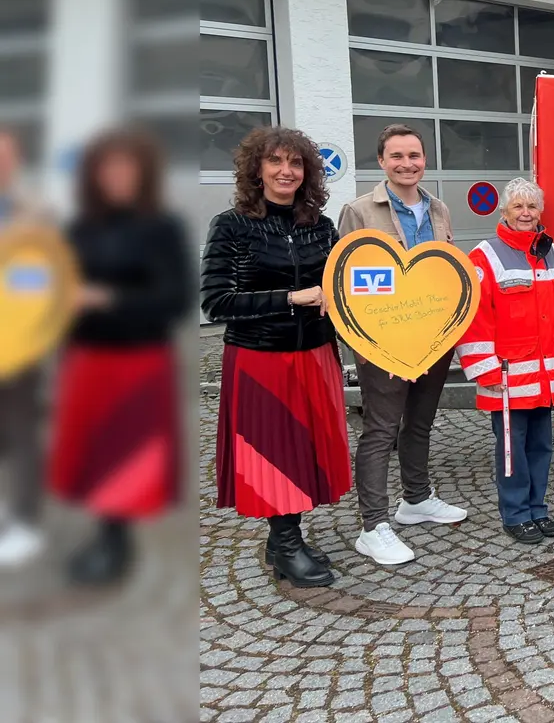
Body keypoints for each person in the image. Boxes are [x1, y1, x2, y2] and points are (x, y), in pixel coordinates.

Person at [202, 127, 349, 588]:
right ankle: (285, 544)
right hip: (261, 357)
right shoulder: (231, 225)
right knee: (273, 453)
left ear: (307, 172)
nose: (286, 171)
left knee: (304, 449)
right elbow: (216, 302)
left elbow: (339, 285)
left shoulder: (320, 225)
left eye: (296, 163)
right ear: (257, 169)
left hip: (315, 352)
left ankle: (285, 536)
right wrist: (290, 297)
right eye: (276, 162)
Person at [47, 129, 190, 586]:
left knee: (125, 454)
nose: (117, 176)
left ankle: (115, 542)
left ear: (144, 172)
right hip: (88, 359)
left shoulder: (161, 228)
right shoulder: (78, 229)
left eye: (126, 166)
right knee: (94, 451)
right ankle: (106, 532)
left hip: (138, 359)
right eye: (108, 167)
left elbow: (176, 299)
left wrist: (105, 300)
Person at [337, 123, 467, 566]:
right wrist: (367, 342)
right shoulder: (358, 211)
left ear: (424, 160)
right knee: (381, 429)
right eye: (397, 156)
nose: (407, 164)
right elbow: (345, 283)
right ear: (381, 161)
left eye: (414, 155)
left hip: (433, 337)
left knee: (420, 422)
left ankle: (416, 500)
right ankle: (372, 525)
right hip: (381, 341)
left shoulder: (439, 210)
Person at [457, 178, 554, 545]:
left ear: (539, 212)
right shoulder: (485, 256)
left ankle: (537, 510)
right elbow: (475, 317)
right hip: (508, 376)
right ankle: (515, 514)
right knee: (512, 451)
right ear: (504, 212)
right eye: (518, 207)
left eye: (532, 207)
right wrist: (483, 369)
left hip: (546, 377)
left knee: (541, 447)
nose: (526, 213)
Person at [0, 124, 49, 566]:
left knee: (20, 434)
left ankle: (25, 522)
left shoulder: (29, 213)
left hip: (14, 346)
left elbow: (38, 281)